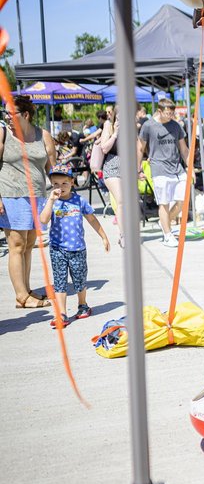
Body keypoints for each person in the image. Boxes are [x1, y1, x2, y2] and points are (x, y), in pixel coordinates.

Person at [0, 95, 57, 309]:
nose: (6, 117)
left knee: (29, 245)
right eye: (4, 113)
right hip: (10, 193)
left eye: (10, 113)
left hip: (37, 196)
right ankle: (21, 296)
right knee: (16, 244)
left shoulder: (43, 135)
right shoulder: (4, 133)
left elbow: (52, 167)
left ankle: (27, 289)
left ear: (25, 115)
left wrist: (60, 191)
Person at [39, 165, 110, 327]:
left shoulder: (79, 201)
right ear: (51, 184)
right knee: (60, 281)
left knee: (79, 280)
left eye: (64, 183)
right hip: (57, 249)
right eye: (56, 184)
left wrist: (104, 237)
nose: (60, 187)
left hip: (78, 248)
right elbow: (43, 220)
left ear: (72, 182)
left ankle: (82, 304)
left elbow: (92, 219)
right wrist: (51, 200)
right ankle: (62, 313)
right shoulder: (51, 202)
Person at [138, 98, 189, 247]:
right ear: (159, 111)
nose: (171, 116)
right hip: (159, 168)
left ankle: (164, 222)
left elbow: (184, 149)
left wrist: (189, 167)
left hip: (177, 169)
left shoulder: (176, 126)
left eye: (172, 113)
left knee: (182, 201)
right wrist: (137, 169)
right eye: (168, 113)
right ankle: (168, 235)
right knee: (164, 203)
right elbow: (140, 148)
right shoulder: (148, 126)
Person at [97, 114, 125, 247]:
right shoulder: (108, 126)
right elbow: (104, 148)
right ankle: (123, 234)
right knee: (121, 201)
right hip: (112, 168)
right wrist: (115, 134)